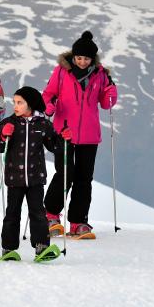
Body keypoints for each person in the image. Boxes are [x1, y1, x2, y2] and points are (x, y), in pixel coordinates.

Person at [41, 31, 117, 238]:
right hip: (63, 132)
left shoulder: (100, 75)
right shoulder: (61, 72)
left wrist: (111, 90)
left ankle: (78, 222)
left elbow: (105, 102)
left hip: (90, 135)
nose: (82, 62)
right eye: (79, 58)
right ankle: (50, 216)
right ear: (73, 57)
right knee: (65, 175)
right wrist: (48, 107)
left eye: (86, 58)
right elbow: (48, 94)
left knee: (84, 179)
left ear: (93, 59)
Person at [0, 86, 68, 262]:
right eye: (14, 102)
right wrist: (3, 136)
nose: (15, 106)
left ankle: (42, 247)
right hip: (14, 178)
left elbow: (54, 146)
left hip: (35, 178)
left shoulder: (43, 124)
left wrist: (64, 139)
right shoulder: (9, 123)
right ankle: (9, 249)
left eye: (20, 103)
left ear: (31, 104)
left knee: (38, 213)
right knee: (12, 213)